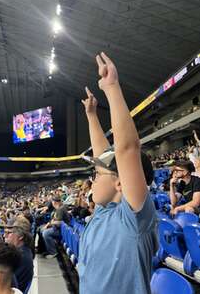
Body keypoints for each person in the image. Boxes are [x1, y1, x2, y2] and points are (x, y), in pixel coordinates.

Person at [79, 52, 157, 294]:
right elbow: (106, 159)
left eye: (96, 176)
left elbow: (127, 150)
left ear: (121, 183)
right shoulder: (104, 211)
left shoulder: (133, 220)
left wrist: (111, 88)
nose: (91, 181)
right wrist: (92, 116)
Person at [4, 218, 34, 293]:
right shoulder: (24, 251)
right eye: (5, 232)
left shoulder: (19, 257)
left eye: (9, 232)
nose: (4, 235)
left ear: (21, 236)